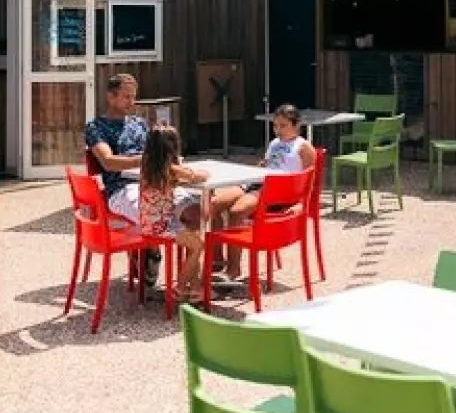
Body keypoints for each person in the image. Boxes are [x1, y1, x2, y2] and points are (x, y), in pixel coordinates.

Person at [211, 104, 315, 283]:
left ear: (296, 125)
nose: (278, 130)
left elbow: (309, 179)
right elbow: (269, 164)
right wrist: (261, 166)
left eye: (283, 126)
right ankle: (218, 259)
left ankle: (233, 268)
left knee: (236, 211)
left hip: (277, 192)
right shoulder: (274, 143)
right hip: (257, 183)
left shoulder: (303, 146)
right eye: (275, 126)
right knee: (213, 204)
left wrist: (301, 204)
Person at [84, 73, 161, 285]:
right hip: (121, 187)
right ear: (111, 97)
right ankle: (152, 251)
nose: (132, 102)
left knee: (190, 206)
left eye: (134, 96)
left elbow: (157, 151)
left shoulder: (140, 124)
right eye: (126, 97)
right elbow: (108, 162)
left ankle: (189, 276)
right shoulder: (96, 127)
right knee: (154, 210)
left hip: (151, 181)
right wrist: (145, 160)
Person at [138, 125, 209, 305]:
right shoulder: (171, 169)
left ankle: (194, 287)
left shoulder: (147, 165)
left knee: (192, 234)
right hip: (163, 225)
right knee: (198, 246)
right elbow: (199, 176)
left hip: (148, 223)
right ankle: (180, 288)